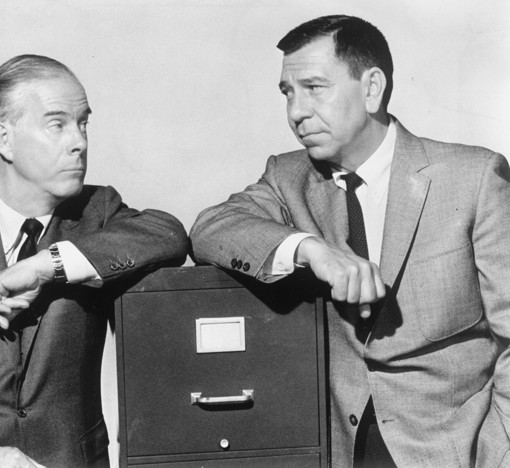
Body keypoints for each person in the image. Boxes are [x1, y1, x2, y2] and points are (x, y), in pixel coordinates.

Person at [190, 15, 510, 468]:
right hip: (338, 449)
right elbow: (211, 227)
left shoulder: (473, 177)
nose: (296, 112)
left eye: (313, 88)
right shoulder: (287, 176)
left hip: (457, 450)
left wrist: (498, 453)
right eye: (287, 92)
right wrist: (311, 249)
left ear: (372, 88)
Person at [0, 54, 188, 468]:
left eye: (83, 123)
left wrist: (45, 265)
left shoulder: (99, 213)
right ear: (4, 139)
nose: (79, 142)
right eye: (58, 124)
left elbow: (169, 234)